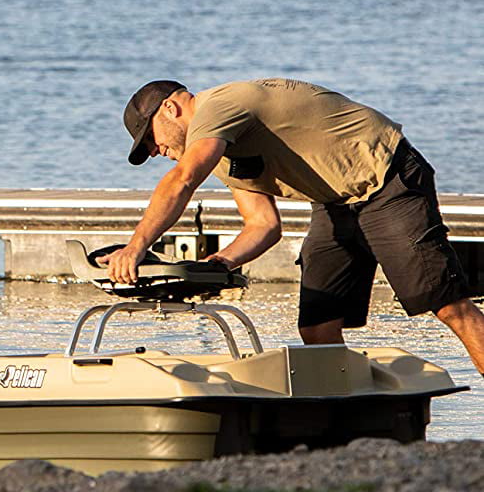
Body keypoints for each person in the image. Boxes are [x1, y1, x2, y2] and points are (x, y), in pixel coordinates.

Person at [108, 77, 484, 375]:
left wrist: (136, 246)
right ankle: (347, 422)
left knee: (447, 305)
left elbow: (184, 179)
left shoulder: (216, 107)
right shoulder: (221, 151)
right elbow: (263, 225)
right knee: (317, 325)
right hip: (335, 202)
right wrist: (220, 263)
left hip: (388, 178)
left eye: (150, 138)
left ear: (171, 108)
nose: (154, 151)